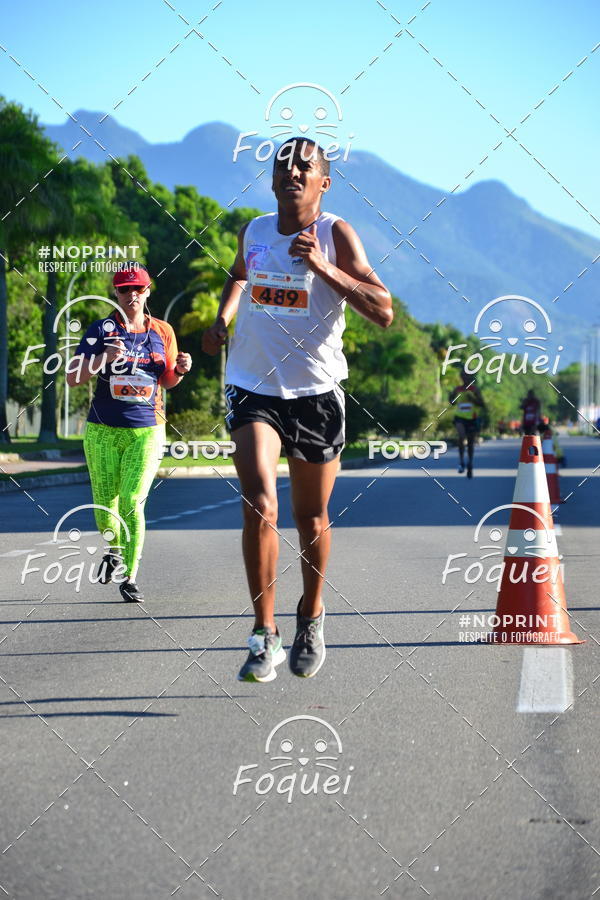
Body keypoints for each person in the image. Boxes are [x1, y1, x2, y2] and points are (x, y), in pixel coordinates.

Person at [202, 138, 392, 683]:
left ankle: (310, 615)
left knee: (311, 516)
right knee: (260, 504)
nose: (292, 170)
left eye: (305, 166)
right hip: (252, 386)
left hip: (316, 392)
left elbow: (383, 311)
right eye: (283, 164)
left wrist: (324, 269)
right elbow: (240, 274)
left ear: (323, 183)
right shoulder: (256, 230)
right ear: (271, 180)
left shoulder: (336, 234)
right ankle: (264, 635)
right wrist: (224, 317)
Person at [67, 263, 191, 601]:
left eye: (138, 289)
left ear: (148, 291)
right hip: (103, 430)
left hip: (147, 431)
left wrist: (179, 370)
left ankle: (130, 575)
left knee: (133, 500)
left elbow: (167, 380)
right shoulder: (100, 330)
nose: (132, 295)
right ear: (116, 294)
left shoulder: (162, 331)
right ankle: (114, 549)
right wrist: (103, 359)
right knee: (106, 504)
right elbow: (73, 377)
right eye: (125, 289)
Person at [449, 369, 485, 478]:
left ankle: (470, 463)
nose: (464, 378)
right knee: (461, 436)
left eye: (467, 376)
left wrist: (473, 399)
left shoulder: (475, 389)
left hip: (472, 418)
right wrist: (451, 397)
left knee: (470, 443)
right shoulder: (458, 389)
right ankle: (461, 461)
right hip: (459, 417)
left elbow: (482, 403)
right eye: (463, 375)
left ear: (470, 377)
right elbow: (452, 402)